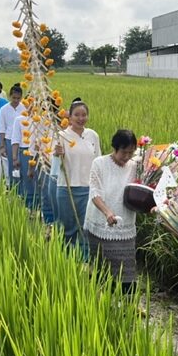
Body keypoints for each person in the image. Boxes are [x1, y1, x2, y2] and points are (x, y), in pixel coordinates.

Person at [84, 130, 138, 294]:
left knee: (127, 270)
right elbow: (94, 192)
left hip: (125, 224)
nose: (127, 156)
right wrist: (107, 212)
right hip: (101, 223)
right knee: (103, 268)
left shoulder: (135, 166)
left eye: (131, 152)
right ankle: (100, 303)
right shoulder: (99, 163)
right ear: (114, 148)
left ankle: (127, 307)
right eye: (124, 152)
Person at [54, 98, 100, 254]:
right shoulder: (61, 136)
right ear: (70, 117)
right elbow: (53, 165)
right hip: (67, 188)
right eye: (77, 115)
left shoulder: (93, 135)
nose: (81, 119)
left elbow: (98, 161)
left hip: (88, 189)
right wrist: (56, 154)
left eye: (84, 115)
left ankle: (86, 260)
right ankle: (67, 260)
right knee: (68, 228)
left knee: (87, 227)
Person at [0, 83, 26, 185]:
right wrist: (2, 146)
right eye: (14, 98)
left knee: (23, 165)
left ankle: (24, 189)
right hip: (9, 140)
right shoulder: (4, 109)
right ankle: (13, 187)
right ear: (10, 96)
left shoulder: (25, 108)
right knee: (12, 165)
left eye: (18, 98)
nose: (16, 101)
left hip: (23, 141)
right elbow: (1, 129)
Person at [10, 109, 38, 209]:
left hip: (40, 152)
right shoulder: (19, 120)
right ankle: (29, 207)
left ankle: (40, 208)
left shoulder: (41, 120)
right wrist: (15, 157)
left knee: (39, 181)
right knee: (28, 181)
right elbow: (15, 139)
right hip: (25, 151)